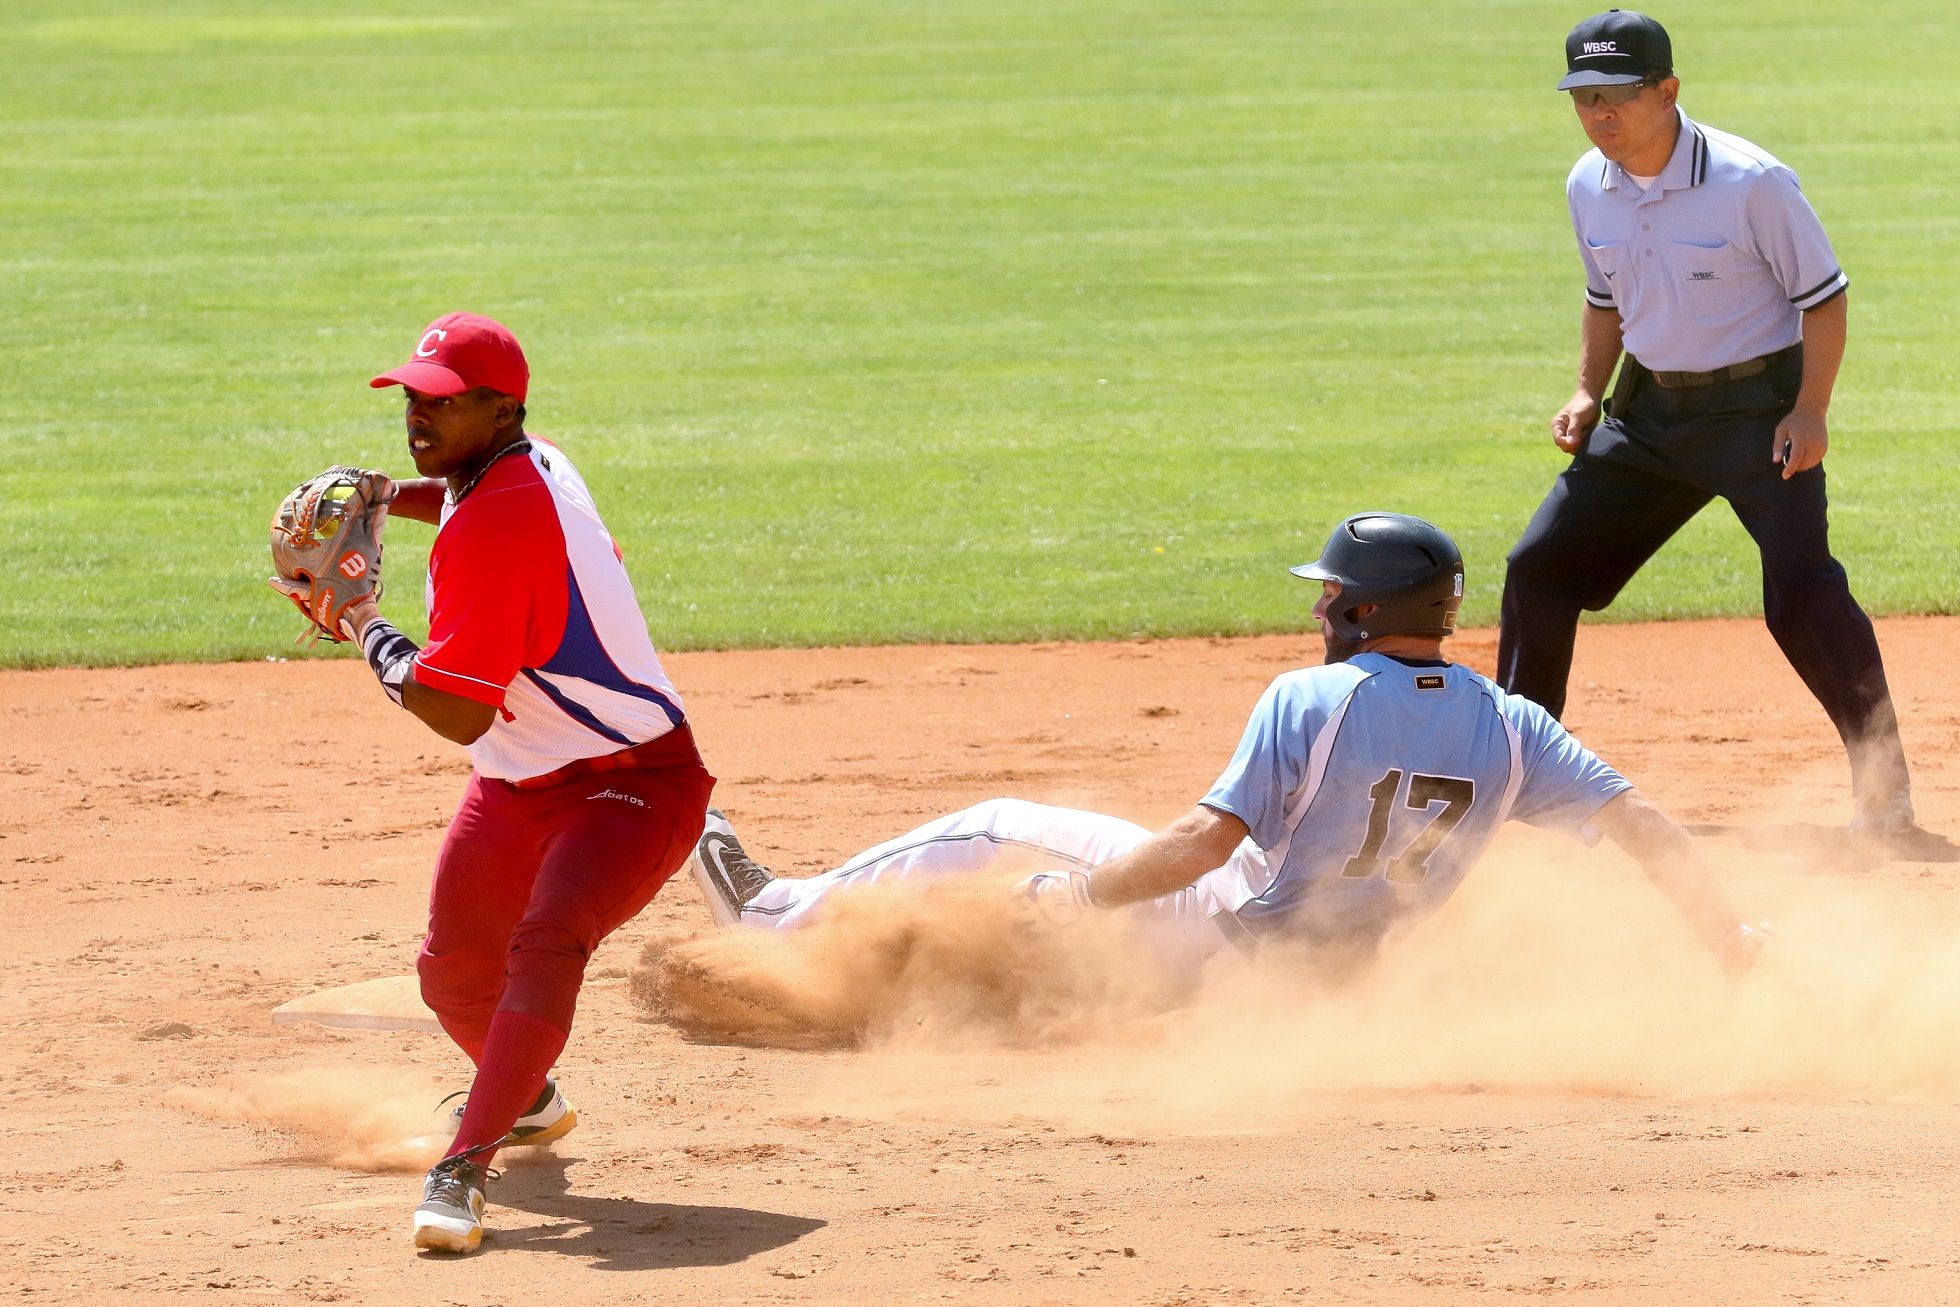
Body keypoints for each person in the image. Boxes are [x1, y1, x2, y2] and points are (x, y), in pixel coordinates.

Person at [685, 513, 1766, 1002]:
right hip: (1338, 993)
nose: (1317, 603)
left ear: (1357, 609)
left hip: (1218, 955)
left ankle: (771, 910)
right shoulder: (1516, 724)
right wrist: (1726, 935)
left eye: (1328, 591)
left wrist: (1079, 895)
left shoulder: (1315, 694)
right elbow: (1642, 827)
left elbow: (1203, 845)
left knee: (993, 825)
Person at [1498, 10, 1921, 846]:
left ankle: (1885, 793)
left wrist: (1812, 409)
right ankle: (1517, 779)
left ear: (1668, 91)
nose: (1598, 115)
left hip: (1757, 416)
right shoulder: (1589, 182)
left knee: (1802, 595)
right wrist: (1588, 392)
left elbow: (1824, 298)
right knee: (1539, 569)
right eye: (1584, 97)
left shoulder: (1751, 181)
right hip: (1647, 414)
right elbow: (1604, 299)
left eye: (1615, 96)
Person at [345, 313, 715, 1252]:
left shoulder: (500, 524)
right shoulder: (534, 460)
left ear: (502, 406)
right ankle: (531, 1100)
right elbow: (464, 498)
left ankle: (463, 1165)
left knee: (548, 942)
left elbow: (457, 711)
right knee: (454, 976)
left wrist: (358, 620)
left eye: (443, 400)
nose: (419, 414)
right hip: (518, 784)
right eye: (413, 398)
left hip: (631, 783)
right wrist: (390, 497)